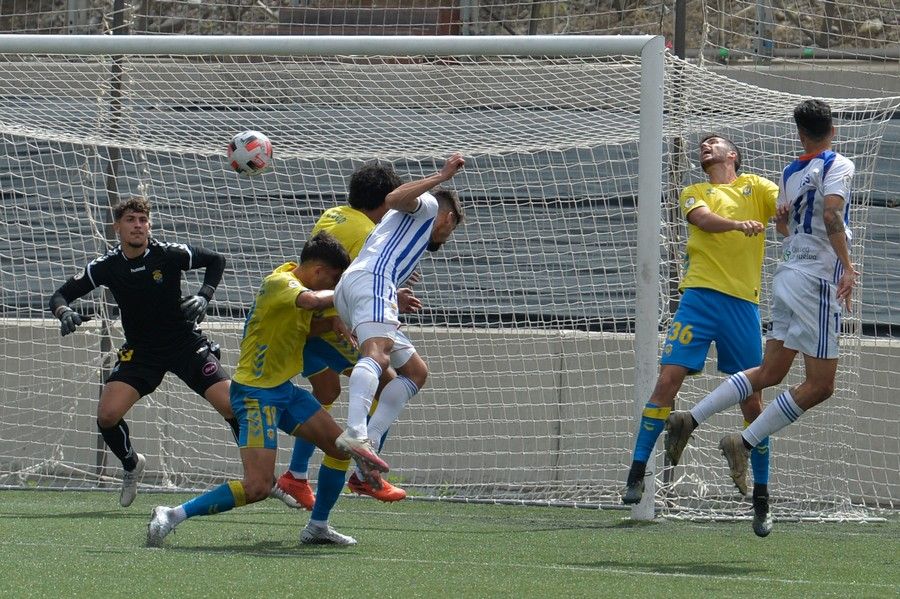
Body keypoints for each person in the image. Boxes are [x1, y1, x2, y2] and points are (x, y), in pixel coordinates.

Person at [672, 99, 856, 536]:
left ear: (799, 134)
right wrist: (847, 266)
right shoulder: (839, 164)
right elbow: (831, 214)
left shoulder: (791, 173)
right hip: (816, 280)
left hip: (788, 274)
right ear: (831, 128)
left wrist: (786, 227)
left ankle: (691, 417)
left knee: (771, 371)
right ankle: (745, 439)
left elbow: (784, 226)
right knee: (821, 385)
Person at [147, 232, 390, 547]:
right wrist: (356, 293)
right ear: (318, 272)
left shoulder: (296, 280)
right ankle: (171, 514)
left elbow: (300, 325)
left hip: (283, 391)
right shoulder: (281, 283)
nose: (332, 285)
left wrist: (331, 324)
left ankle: (317, 527)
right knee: (257, 486)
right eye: (332, 279)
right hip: (255, 394)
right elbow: (311, 301)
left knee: (341, 447)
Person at [621, 134, 779, 535]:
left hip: (743, 304)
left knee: (753, 403)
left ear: (734, 155)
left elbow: (786, 207)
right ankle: (637, 472)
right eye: (703, 145)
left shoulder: (758, 187)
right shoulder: (694, 191)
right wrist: (738, 224)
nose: (705, 147)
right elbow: (703, 220)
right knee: (666, 382)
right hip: (699, 299)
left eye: (715, 144)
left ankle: (761, 499)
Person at [48, 196, 237, 508]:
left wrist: (205, 296)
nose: (138, 226)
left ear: (149, 225)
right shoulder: (107, 266)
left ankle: (257, 472)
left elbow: (216, 260)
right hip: (141, 351)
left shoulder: (169, 254)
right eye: (131, 220)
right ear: (118, 228)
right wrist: (64, 313)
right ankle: (131, 464)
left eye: (142, 220)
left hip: (185, 344)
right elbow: (60, 295)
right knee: (107, 416)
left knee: (233, 405)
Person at [275, 161, 420, 509]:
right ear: (386, 202)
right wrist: (391, 296)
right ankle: (366, 471)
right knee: (388, 382)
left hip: (309, 321)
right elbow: (357, 281)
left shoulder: (335, 213)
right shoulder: (369, 232)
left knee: (327, 390)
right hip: (329, 322)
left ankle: (296, 476)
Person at [333, 153, 465, 473]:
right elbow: (393, 198)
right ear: (448, 220)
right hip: (371, 281)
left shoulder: (405, 230)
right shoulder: (431, 206)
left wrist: (395, 294)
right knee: (377, 356)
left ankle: (370, 453)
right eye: (450, 231)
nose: (445, 239)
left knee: (415, 373)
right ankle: (355, 433)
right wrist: (442, 176)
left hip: (353, 287)